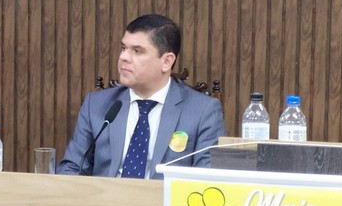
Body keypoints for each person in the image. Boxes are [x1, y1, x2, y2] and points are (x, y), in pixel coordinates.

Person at [57, 14, 225, 178]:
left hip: (163, 197)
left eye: (137, 51)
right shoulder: (96, 104)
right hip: (106, 196)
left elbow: (207, 180)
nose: (123, 57)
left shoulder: (203, 111)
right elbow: (71, 168)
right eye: (124, 48)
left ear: (167, 61)